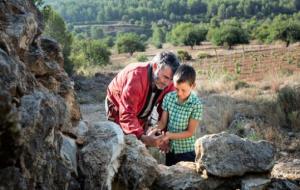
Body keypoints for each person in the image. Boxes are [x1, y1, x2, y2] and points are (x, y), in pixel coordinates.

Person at [105, 51, 180, 147]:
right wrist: (143, 138)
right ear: (155, 66)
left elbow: (166, 112)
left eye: (171, 80)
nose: (167, 83)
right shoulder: (136, 76)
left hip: (141, 109)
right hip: (118, 107)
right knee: (121, 142)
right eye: (165, 77)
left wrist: (164, 136)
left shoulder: (169, 83)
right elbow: (127, 114)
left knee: (142, 145)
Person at [155, 64, 203, 166]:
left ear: (193, 86)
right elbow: (163, 123)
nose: (179, 93)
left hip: (187, 152)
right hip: (170, 150)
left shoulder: (196, 105)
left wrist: (169, 135)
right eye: (176, 89)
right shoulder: (169, 98)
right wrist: (154, 130)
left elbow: (190, 132)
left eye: (183, 90)